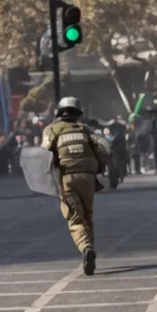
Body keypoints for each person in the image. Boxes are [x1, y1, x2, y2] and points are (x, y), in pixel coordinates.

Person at [41, 97, 106, 276]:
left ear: (59, 112)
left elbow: (44, 154)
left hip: (66, 179)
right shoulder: (85, 129)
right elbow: (102, 150)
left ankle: (86, 248)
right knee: (87, 215)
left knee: (75, 218)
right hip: (88, 178)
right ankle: (90, 250)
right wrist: (99, 170)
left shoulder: (52, 130)